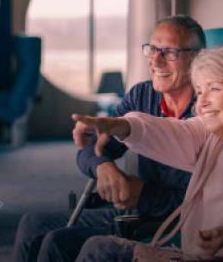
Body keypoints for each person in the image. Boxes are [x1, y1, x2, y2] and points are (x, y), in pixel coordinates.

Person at [72, 45, 223, 262]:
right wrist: (118, 125)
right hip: (188, 254)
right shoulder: (212, 139)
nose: (201, 103)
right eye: (200, 91)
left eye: (214, 89)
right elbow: (167, 131)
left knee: (100, 251)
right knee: (86, 247)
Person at [12, 14, 206, 262]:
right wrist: (102, 166)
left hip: (173, 222)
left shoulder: (207, 110)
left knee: (59, 243)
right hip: (136, 209)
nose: (156, 60)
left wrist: (144, 196)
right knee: (34, 225)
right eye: (153, 49)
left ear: (197, 58)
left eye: (169, 52)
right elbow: (89, 148)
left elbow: (205, 201)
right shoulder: (141, 95)